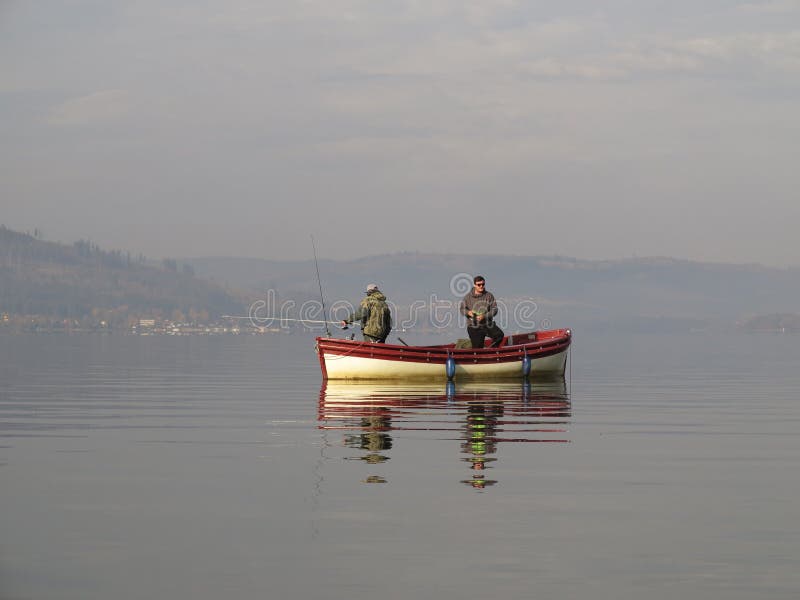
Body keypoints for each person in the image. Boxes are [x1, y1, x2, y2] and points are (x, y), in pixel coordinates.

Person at [459, 275, 504, 348]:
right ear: (474, 285)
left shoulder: (489, 296)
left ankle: (491, 352)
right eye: (479, 285)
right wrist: (468, 312)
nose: (481, 286)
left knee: (499, 335)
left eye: (483, 284)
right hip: (474, 327)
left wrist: (484, 316)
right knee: (477, 348)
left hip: (488, 324)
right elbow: (462, 309)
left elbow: (495, 309)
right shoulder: (467, 297)